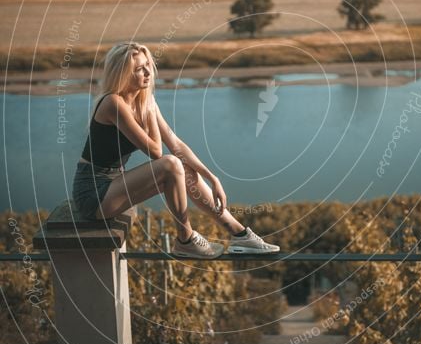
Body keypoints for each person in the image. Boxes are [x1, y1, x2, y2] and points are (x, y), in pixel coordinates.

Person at [71, 42, 280, 259]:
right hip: (93, 193)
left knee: (183, 169)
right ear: (122, 74)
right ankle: (185, 239)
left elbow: (176, 144)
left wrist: (212, 177)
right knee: (170, 165)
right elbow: (156, 151)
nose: (148, 72)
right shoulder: (113, 103)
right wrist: (150, 113)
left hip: (114, 184)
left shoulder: (144, 101)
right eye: (139, 69)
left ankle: (240, 234)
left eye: (148, 65)